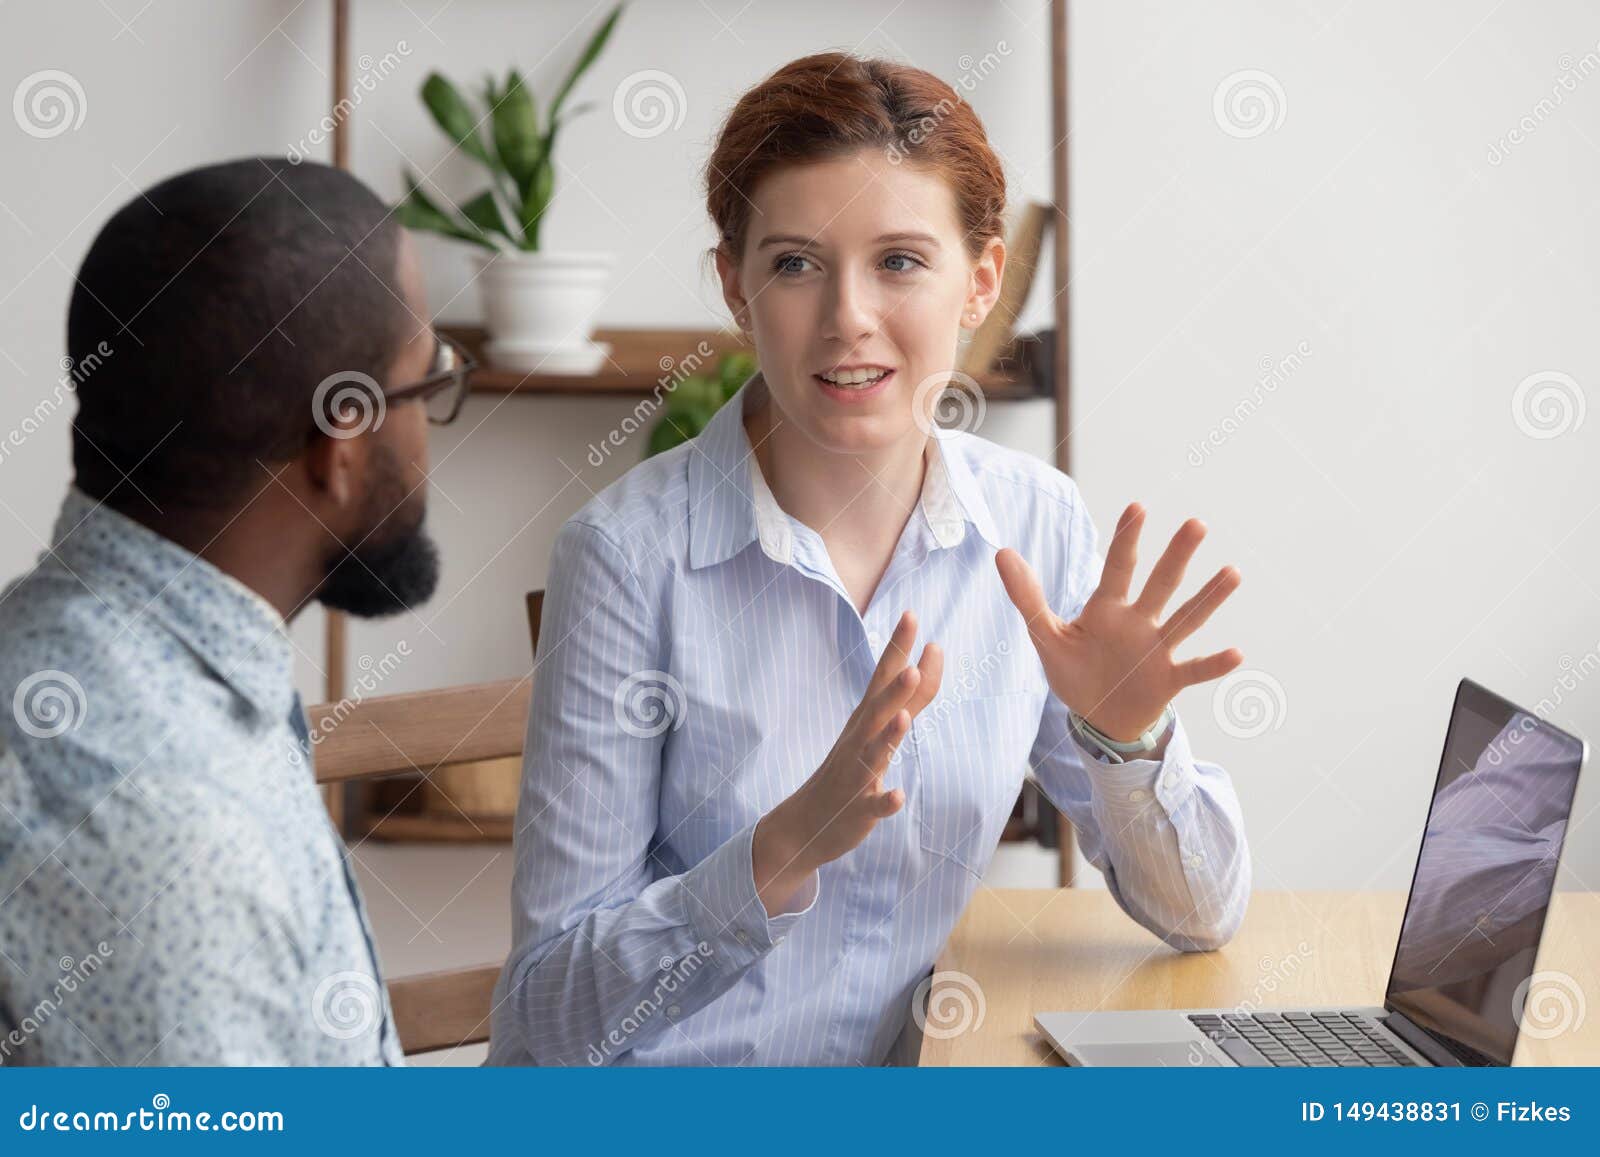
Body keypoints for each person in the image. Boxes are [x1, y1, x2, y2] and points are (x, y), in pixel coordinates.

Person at [488, 52, 1252, 1068]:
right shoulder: (628, 558)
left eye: (899, 260)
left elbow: (1202, 916)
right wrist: (777, 852)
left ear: (980, 282)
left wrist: (1129, 739)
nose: (847, 315)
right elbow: (545, 1017)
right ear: (735, 284)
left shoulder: (1035, 525)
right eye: (796, 262)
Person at [0, 157, 469, 1064]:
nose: (431, 427)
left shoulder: (71, 647)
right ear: (341, 443)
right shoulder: (176, 842)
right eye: (429, 379)